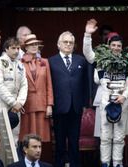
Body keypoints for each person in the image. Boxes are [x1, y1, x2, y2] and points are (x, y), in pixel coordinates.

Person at [83, 19, 128, 167]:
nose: (116, 48)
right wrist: (87, 34)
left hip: (122, 102)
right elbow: (88, 53)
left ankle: (117, 163)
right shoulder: (101, 59)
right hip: (105, 102)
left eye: (119, 45)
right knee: (105, 136)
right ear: (109, 45)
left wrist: (124, 96)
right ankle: (105, 163)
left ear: (122, 47)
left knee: (119, 137)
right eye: (113, 45)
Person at [49, 31, 88, 167]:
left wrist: (85, 104)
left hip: (76, 108)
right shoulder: (51, 61)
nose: (68, 44)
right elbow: (49, 85)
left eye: (71, 42)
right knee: (59, 143)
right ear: (58, 44)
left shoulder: (81, 60)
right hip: (59, 107)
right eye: (65, 42)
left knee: (74, 142)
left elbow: (85, 84)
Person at [0, 37, 28, 144]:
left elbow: (24, 85)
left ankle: (13, 161)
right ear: (6, 49)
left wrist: (20, 102)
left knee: (14, 137)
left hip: (16, 107)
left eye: (18, 48)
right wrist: (13, 102)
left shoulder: (20, 65)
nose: (16, 51)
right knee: (2, 137)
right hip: (2, 104)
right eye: (13, 48)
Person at [19, 34, 53, 142]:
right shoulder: (20, 63)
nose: (34, 46)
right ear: (26, 47)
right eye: (31, 44)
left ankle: (39, 158)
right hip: (26, 105)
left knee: (41, 137)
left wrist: (49, 105)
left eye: (36, 44)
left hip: (42, 105)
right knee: (27, 137)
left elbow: (49, 84)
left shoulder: (44, 62)